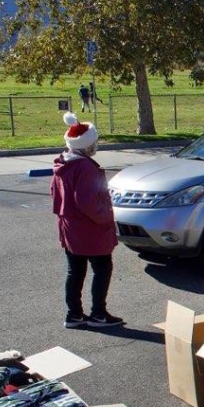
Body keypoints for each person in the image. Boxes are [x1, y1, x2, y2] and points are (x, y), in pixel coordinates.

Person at [51, 112, 122, 328]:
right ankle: (98, 314)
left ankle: (74, 314)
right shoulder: (85, 167)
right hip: (89, 228)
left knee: (75, 270)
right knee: (102, 267)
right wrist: (108, 216)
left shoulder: (63, 163)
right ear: (88, 145)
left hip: (70, 226)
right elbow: (87, 201)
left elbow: (56, 195)